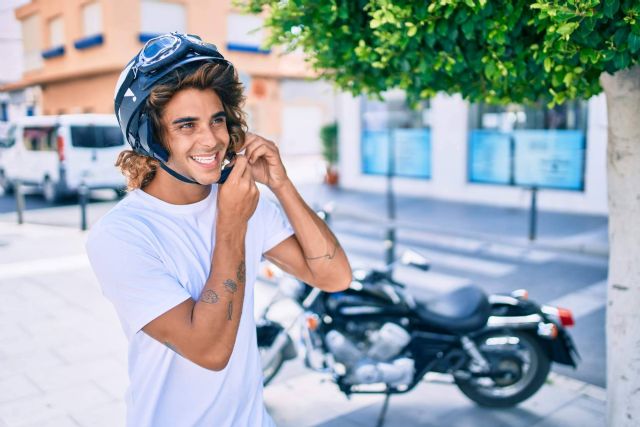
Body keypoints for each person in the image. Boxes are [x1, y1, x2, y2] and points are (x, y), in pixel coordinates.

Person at [86, 32, 352, 427]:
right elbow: (209, 351)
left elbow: (334, 277)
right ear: (151, 139)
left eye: (217, 120)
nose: (210, 139)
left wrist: (280, 183)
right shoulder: (122, 235)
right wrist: (231, 224)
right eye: (186, 125)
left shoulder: (243, 201)